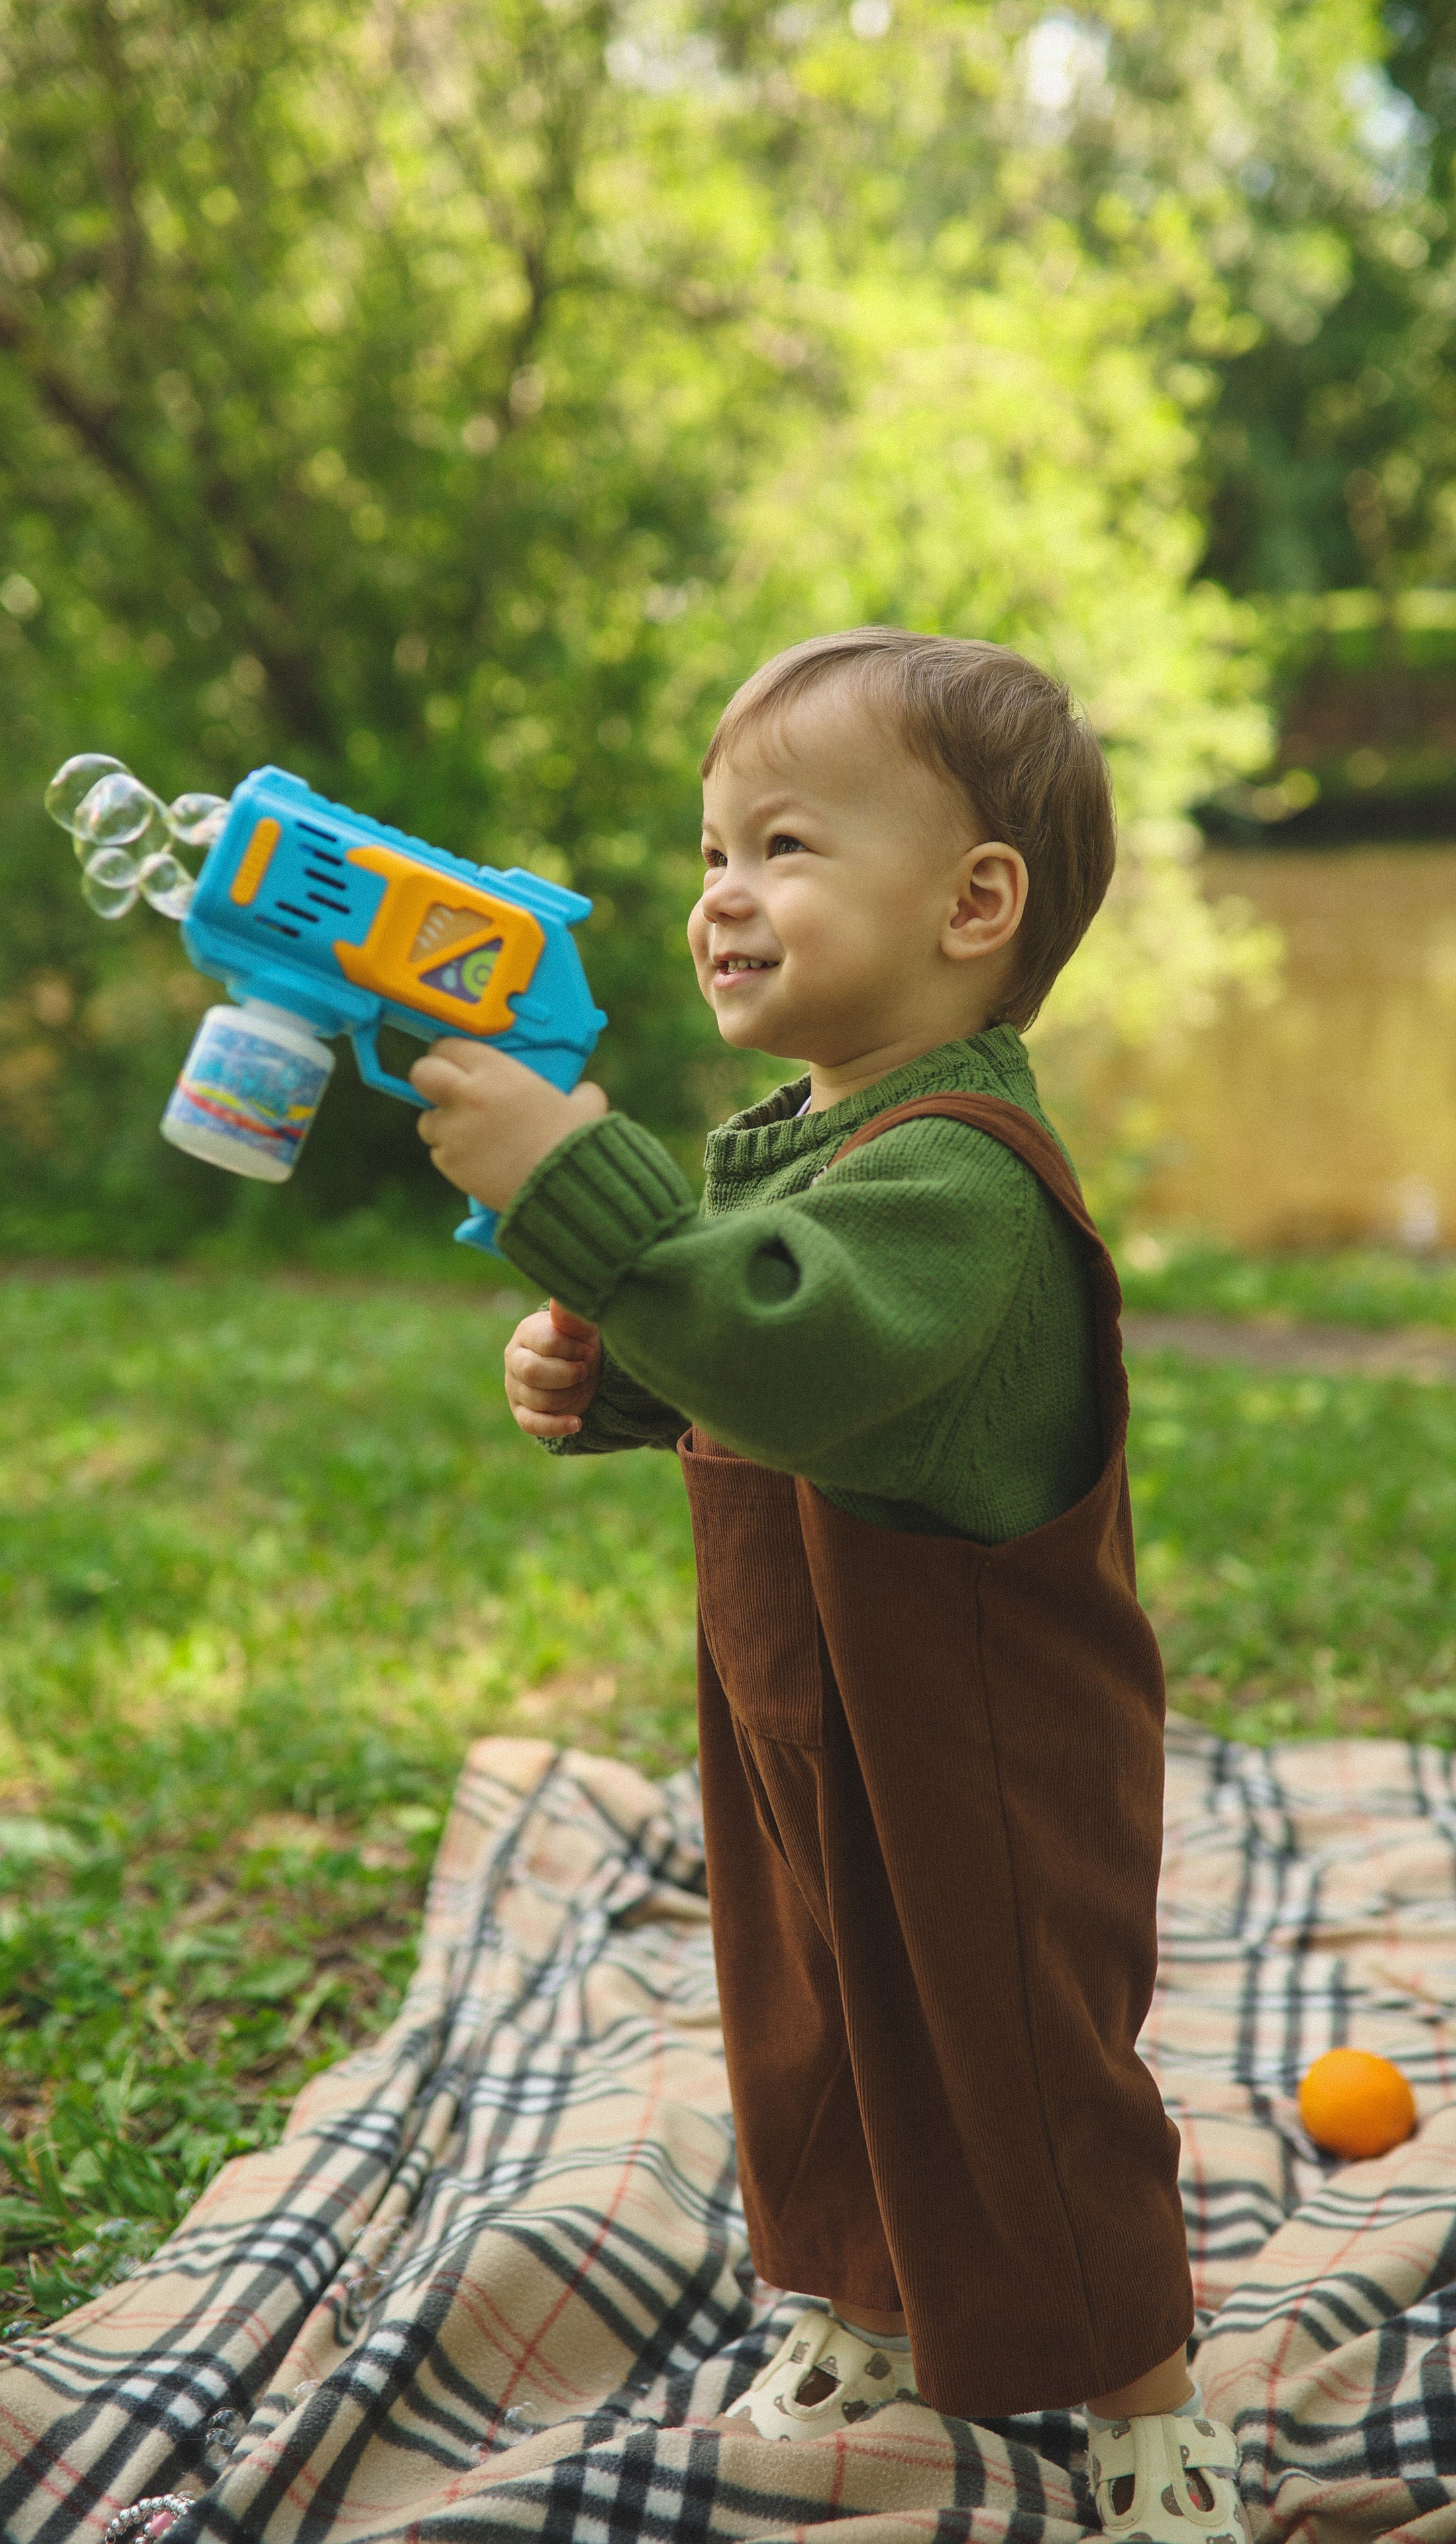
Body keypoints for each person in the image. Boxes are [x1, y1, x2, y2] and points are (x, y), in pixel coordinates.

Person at [409, 627, 1247, 2543]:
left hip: (980, 1735)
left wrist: (581, 1186)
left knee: (1016, 2052)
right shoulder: (805, 1142)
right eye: (712, 851)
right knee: (815, 2011)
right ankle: (864, 2302)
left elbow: (809, 1350)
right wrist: (609, 1367)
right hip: (810, 1712)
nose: (722, 896)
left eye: (782, 847)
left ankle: (1144, 2404)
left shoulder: (959, 1176)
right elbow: (739, 1351)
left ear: (974, 905)